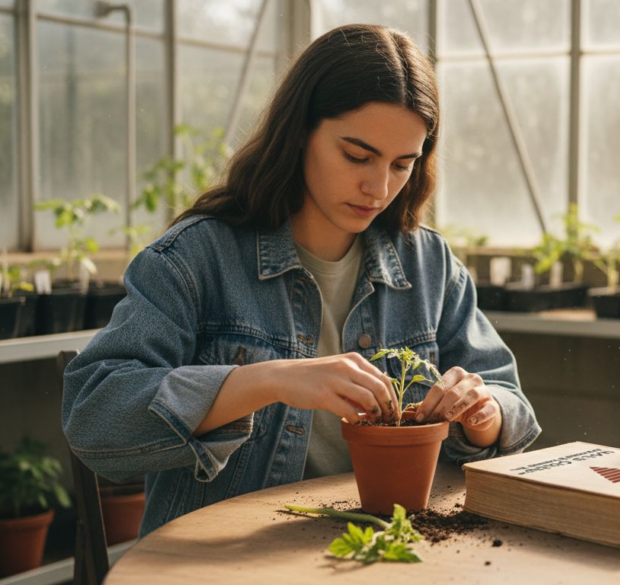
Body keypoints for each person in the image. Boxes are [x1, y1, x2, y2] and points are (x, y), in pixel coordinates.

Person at [61, 24, 541, 536]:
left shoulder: (429, 265)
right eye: (357, 155)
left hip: (389, 552)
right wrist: (266, 380)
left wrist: (483, 414)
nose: (378, 187)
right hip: (228, 563)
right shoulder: (196, 258)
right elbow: (94, 421)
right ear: (299, 133)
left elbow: (511, 405)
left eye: (402, 164)